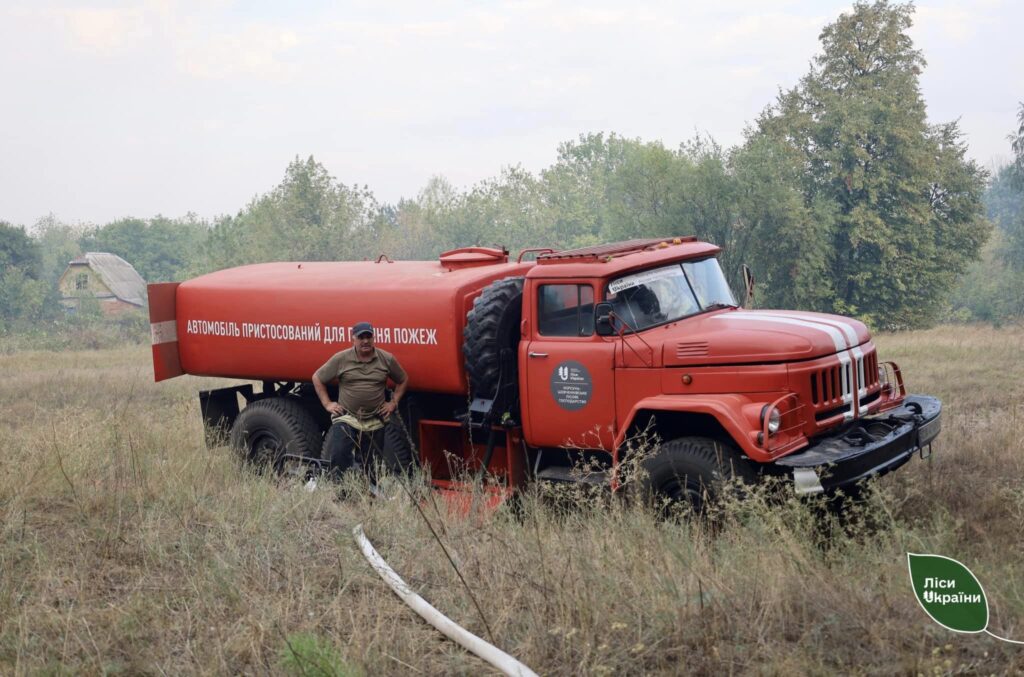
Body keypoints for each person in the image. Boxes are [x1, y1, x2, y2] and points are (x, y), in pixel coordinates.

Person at [312, 321, 408, 480]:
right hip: (347, 416)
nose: (365, 341)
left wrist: (393, 402)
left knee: (372, 464)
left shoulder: (386, 359)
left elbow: (403, 379)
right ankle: (341, 493)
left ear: (373, 338)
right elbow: (318, 377)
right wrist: (327, 403)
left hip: (375, 419)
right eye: (361, 337)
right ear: (353, 339)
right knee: (340, 454)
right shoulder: (341, 358)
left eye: (368, 336)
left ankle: (370, 494)